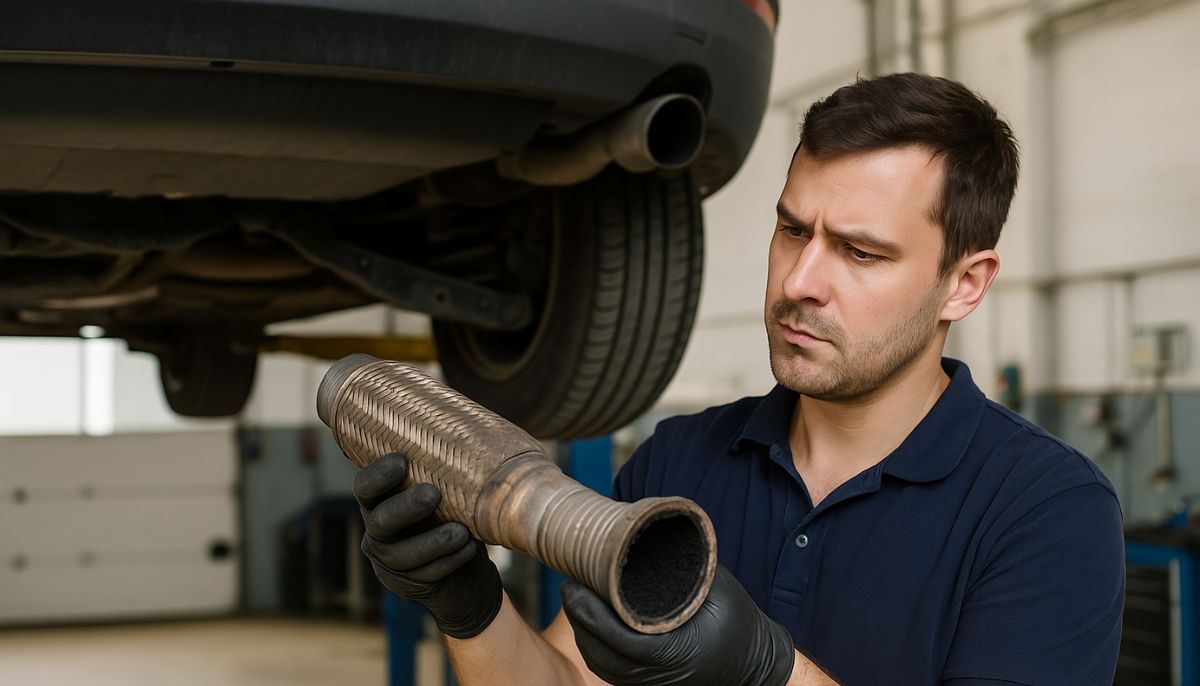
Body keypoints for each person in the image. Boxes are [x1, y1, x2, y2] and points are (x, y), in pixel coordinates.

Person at [352, 73, 1125, 685]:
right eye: (793, 229)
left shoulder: (1047, 510)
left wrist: (769, 671)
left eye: (860, 252)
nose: (801, 280)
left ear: (965, 282)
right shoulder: (682, 460)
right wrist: (470, 607)